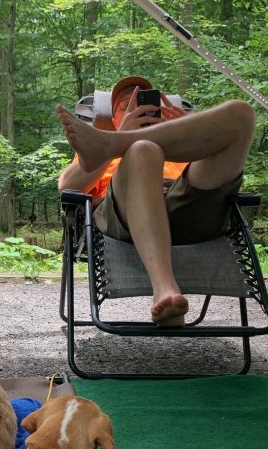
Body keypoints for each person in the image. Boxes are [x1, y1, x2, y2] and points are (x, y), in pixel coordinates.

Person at [56, 76, 255, 326]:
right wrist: (124, 137)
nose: (138, 109)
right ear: (114, 118)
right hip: (125, 213)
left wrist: (189, 133)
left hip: (185, 204)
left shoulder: (181, 143)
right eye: (126, 105)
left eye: (146, 104)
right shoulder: (94, 147)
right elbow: (68, 187)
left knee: (242, 113)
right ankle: (164, 289)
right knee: (143, 149)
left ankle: (118, 144)